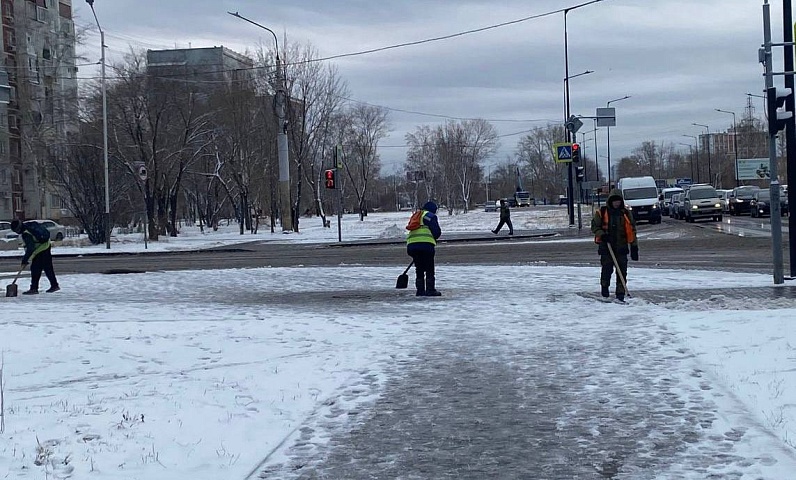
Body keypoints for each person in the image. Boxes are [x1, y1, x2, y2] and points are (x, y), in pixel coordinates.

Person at [590, 189, 638, 301]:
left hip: (621, 247)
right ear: (610, 201)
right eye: (614, 201)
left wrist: (634, 246)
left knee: (622, 271)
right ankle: (605, 288)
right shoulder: (602, 212)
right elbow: (594, 227)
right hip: (607, 247)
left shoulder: (625, 213)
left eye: (618, 201)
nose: (617, 203)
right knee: (607, 269)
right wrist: (602, 235)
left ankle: (620, 293)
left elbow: (632, 230)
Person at [10, 219, 60, 295]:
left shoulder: (26, 234)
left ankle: (34, 288)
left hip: (40, 249)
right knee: (47, 268)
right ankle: (54, 285)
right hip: (46, 245)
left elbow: (30, 248)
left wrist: (25, 259)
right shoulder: (29, 226)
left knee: (35, 269)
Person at [406, 201, 442, 296]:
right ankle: (430, 290)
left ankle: (420, 290)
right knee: (429, 267)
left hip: (412, 245)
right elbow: (436, 232)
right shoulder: (429, 215)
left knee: (419, 268)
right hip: (425, 245)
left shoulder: (416, 215)